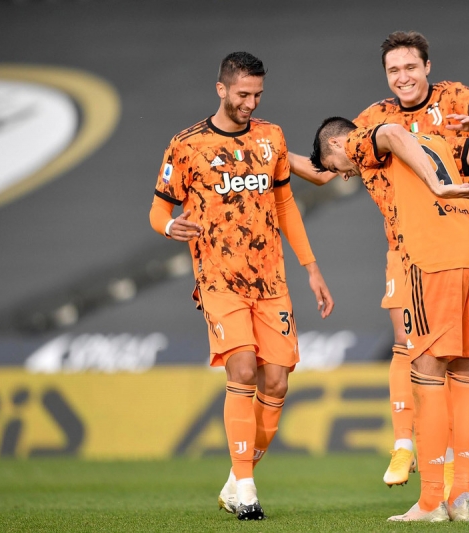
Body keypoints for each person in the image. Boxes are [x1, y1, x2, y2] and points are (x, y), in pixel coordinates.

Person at [290, 30, 469, 490]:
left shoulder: (453, 99)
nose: (403, 77)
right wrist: (267, 150)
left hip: (447, 242)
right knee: (414, 349)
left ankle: (440, 480)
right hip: (406, 247)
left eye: (411, 67)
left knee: (446, 366)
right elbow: (329, 164)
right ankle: (406, 445)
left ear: (427, 67)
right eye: (394, 70)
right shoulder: (373, 119)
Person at [150, 51, 334, 521]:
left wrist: (311, 268)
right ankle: (248, 491)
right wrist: (169, 227)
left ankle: (237, 479)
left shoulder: (272, 137)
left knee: (277, 380)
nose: (250, 103)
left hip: (271, 281)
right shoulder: (186, 145)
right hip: (218, 279)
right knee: (245, 370)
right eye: (243, 94)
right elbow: (158, 209)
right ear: (221, 89)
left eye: (257, 95)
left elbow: (286, 205)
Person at [310, 117, 469, 522]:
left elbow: (389, 131)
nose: (345, 174)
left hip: (433, 258)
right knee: (467, 376)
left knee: (424, 371)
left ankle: (431, 502)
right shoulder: (437, 139)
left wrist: (435, 185)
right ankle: (460, 496)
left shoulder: (360, 142)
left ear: (335, 144)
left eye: (335, 167)